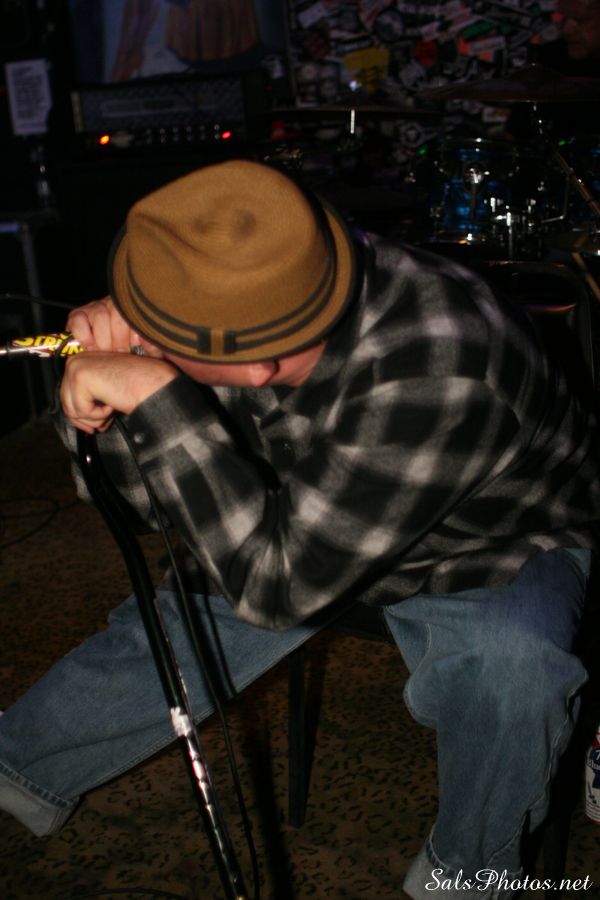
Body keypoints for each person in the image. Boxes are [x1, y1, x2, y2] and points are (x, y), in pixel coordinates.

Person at [0, 159, 599, 900]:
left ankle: (470, 873)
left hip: (493, 540)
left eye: (160, 337)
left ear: (255, 369)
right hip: (303, 513)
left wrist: (155, 394)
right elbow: (142, 514)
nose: (141, 337)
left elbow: (279, 591)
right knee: (177, 627)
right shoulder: (259, 287)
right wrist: (110, 395)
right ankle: (17, 768)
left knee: (515, 671)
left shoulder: (444, 365)